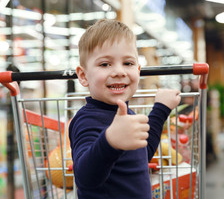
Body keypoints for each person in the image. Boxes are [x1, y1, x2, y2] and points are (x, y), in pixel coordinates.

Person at [69, 19, 181, 198]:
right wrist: (110, 141)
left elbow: (143, 154)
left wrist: (161, 109)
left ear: (138, 70)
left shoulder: (125, 114)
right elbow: (85, 178)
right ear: (83, 76)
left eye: (128, 63)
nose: (119, 71)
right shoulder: (87, 120)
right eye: (105, 64)